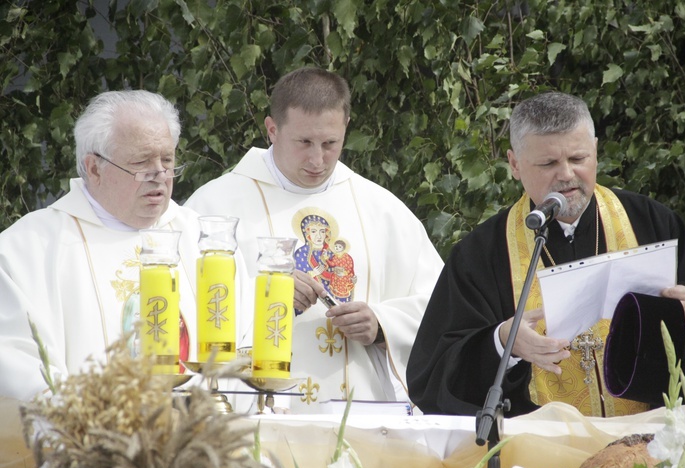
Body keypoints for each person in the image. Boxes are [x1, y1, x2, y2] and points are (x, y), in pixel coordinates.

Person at [407, 91, 685, 418]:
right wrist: (503, 344)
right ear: (514, 164)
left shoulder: (652, 222)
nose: (567, 175)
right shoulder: (481, 254)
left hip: (651, 441)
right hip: (540, 454)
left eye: (578, 158)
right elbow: (433, 371)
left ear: (596, 151)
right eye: (548, 163)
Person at [185, 67, 444, 413]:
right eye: (304, 142)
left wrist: (381, 324)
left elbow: (440, 306)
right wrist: (261, 295)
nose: (318, 159)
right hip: (251, 417)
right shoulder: (213, 207)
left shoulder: (381, 210)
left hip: (359, 414)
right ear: (272, 129)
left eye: (330, 143)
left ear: (346, 127)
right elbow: (181, 308)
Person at [0, 90, 251, 402]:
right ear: (93, 168)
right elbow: (18, 366)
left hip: (200, 441)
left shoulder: (207, 243)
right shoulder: (29, 249)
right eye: (141, 162)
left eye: (168, 160)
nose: (160, 175)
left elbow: (245, 345)